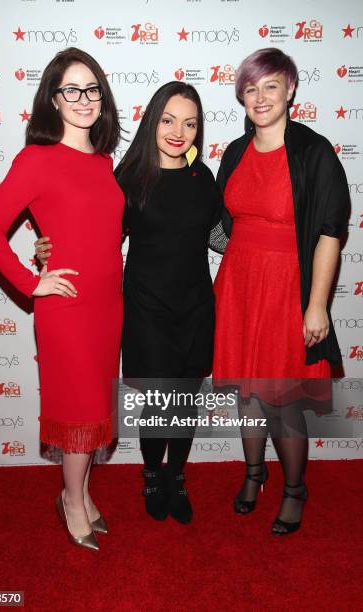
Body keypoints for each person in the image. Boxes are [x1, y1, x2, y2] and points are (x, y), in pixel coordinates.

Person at [36, 82, 221, 524]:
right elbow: (97, 236)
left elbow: (217, 237)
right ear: (153, 120)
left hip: (196, 305)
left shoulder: (203, 177)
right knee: (158, 400)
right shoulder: (127, 179)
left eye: (190, 123)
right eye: (169, 120)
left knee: (186, 400)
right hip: (146, 308)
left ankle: (176, 475)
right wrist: (50, 249)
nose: (179, 131)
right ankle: (152, 475)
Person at [0, 47, 124, 551]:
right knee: (79, 413)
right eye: (71, 90)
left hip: (108, 307)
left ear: (102, 97)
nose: (83, 99)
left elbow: (90, 228)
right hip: (67, 309)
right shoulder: (36, 158)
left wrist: (46, 245)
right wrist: (30, 279)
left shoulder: (104, 161)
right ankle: (72, 500)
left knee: (95, 409)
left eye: (92, 89)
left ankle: (79, 493)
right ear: (53, 100)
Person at [210, 48, 350, 535]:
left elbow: (330, 232)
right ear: (241, 97)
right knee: (249, 394)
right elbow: (219, 224)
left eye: (271, 86)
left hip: (288, 288)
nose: (261, 97)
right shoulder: (234, 151)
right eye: (251, 89)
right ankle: (254, 474)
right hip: (239, 285)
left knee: (281, 398)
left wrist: (317, 306)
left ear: (290, 89)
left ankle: (295, 489)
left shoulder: (314, 152)